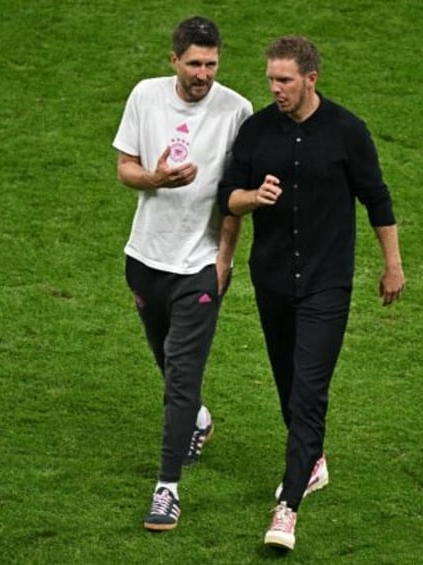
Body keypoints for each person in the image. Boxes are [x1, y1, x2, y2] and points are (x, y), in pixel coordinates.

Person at [217, 36, 405, 550]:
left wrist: (393, 265)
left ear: (311, 79)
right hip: (272, 281)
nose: (275, 88)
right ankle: (313, 458)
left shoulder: (347, 131)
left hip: (327, 284)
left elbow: (377, 198)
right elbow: (227, 198)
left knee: (308, 390)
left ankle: (288, 506)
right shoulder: (256, 131)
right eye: (271, 79)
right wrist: (255, 197)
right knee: (287, 381)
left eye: (285, 80)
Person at [112, 16, 252, 532]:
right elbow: (125, 167)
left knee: (181, 373)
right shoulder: (145, 96)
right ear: (173, 60)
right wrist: (156, 179)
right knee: (165, 361)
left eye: (212, 63)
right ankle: (197, 419)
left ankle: (167, 488)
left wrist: (225, 259)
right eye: (194, 63)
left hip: (200, 263)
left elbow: (235, 195)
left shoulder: (237, 110)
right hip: (146, 258)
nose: (204, 74)